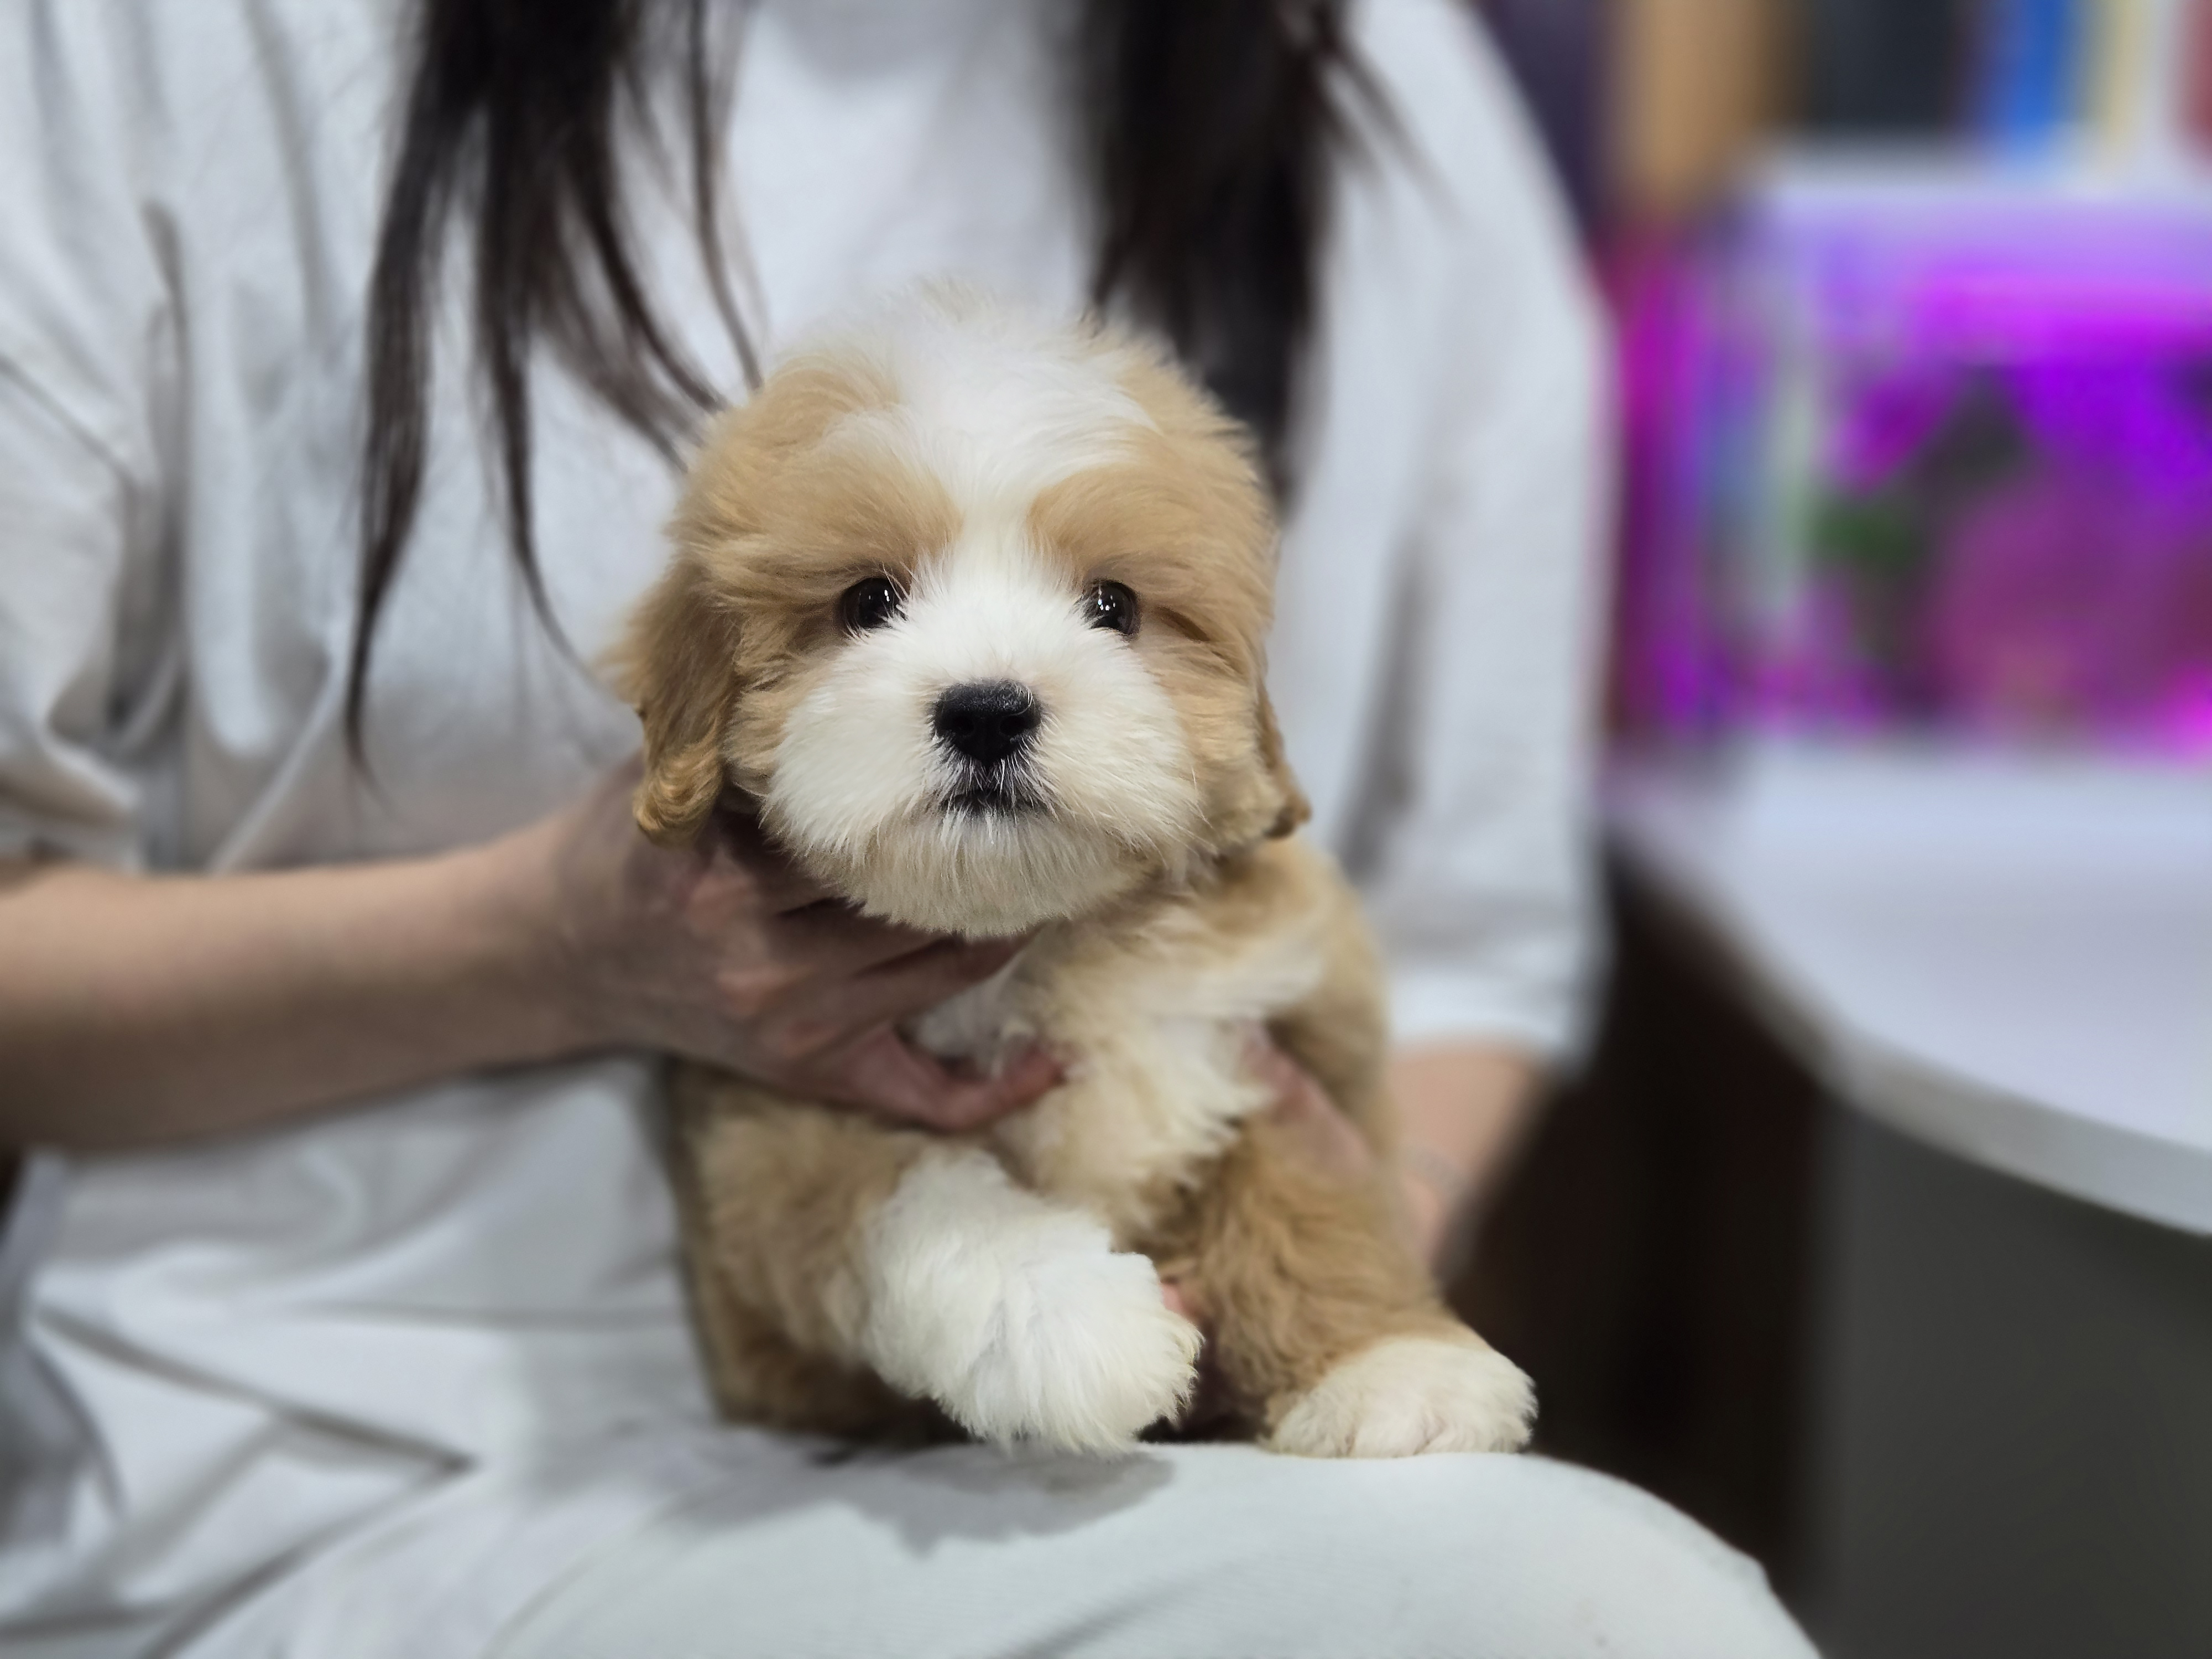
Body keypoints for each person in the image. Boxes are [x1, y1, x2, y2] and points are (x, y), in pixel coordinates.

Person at [0, 1, 1814, 1654]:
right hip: (335, 1468)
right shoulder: (188, 47)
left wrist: (1329, 1275)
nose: (995, 677)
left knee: (1613, 1615)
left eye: (1111, 609)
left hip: (1145, 1465)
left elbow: (1480, 929)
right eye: (869, 603)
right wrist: (545, 947)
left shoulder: (1375, 93)